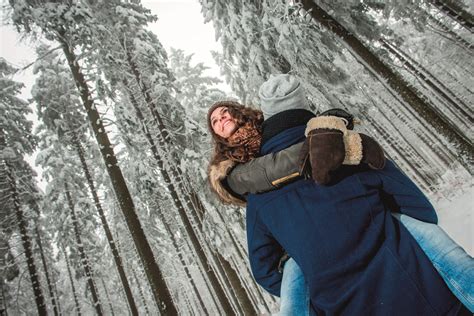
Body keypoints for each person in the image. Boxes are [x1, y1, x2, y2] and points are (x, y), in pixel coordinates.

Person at [206, 74, 473, 315]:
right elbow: (420, 209)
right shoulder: (344, 147)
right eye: (215, 121)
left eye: (225, 112)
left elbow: (265, 271)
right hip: (420, 289)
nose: (221, 120)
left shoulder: (257, 196)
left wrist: (311, 268)